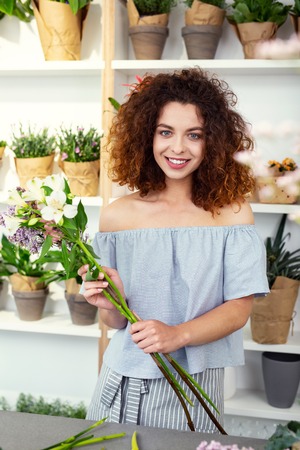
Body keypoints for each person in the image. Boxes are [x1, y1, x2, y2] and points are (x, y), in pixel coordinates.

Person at [78, 67, 269, 433]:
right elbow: (116, 323)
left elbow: (238, 310)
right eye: (165, 132)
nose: (177, 147)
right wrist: (109, 302)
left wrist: (176, 334)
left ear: (213, 143)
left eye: (193, 135)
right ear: (146, 137)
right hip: (119, 382)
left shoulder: (232, 215)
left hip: (192, 388)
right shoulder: (117, 217)